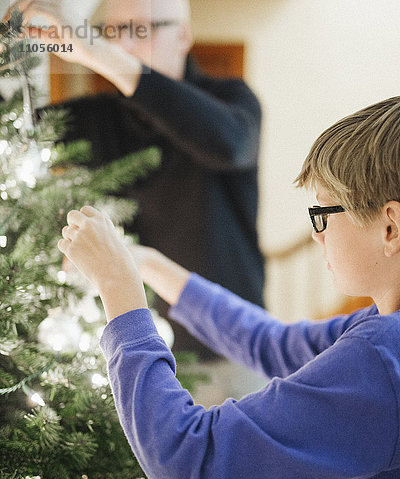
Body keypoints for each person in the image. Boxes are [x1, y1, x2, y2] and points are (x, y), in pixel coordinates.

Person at [58, 96, 400, 479]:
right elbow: (274, 343)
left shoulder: (379, 361)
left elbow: (190, 455)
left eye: (324, 212)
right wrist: (148, 265)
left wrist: (122, 296)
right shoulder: (380, 334)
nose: (316, 232)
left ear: (389, 226)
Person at [5, 0, 265, 391]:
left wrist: (97, 51)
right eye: (112, 32)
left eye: (139, 30)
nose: (121, 44)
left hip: (229, 347)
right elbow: (19, 133)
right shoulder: (101, 116)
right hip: (134, 353)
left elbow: (229, 145)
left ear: (183, 35)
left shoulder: (231, 98)